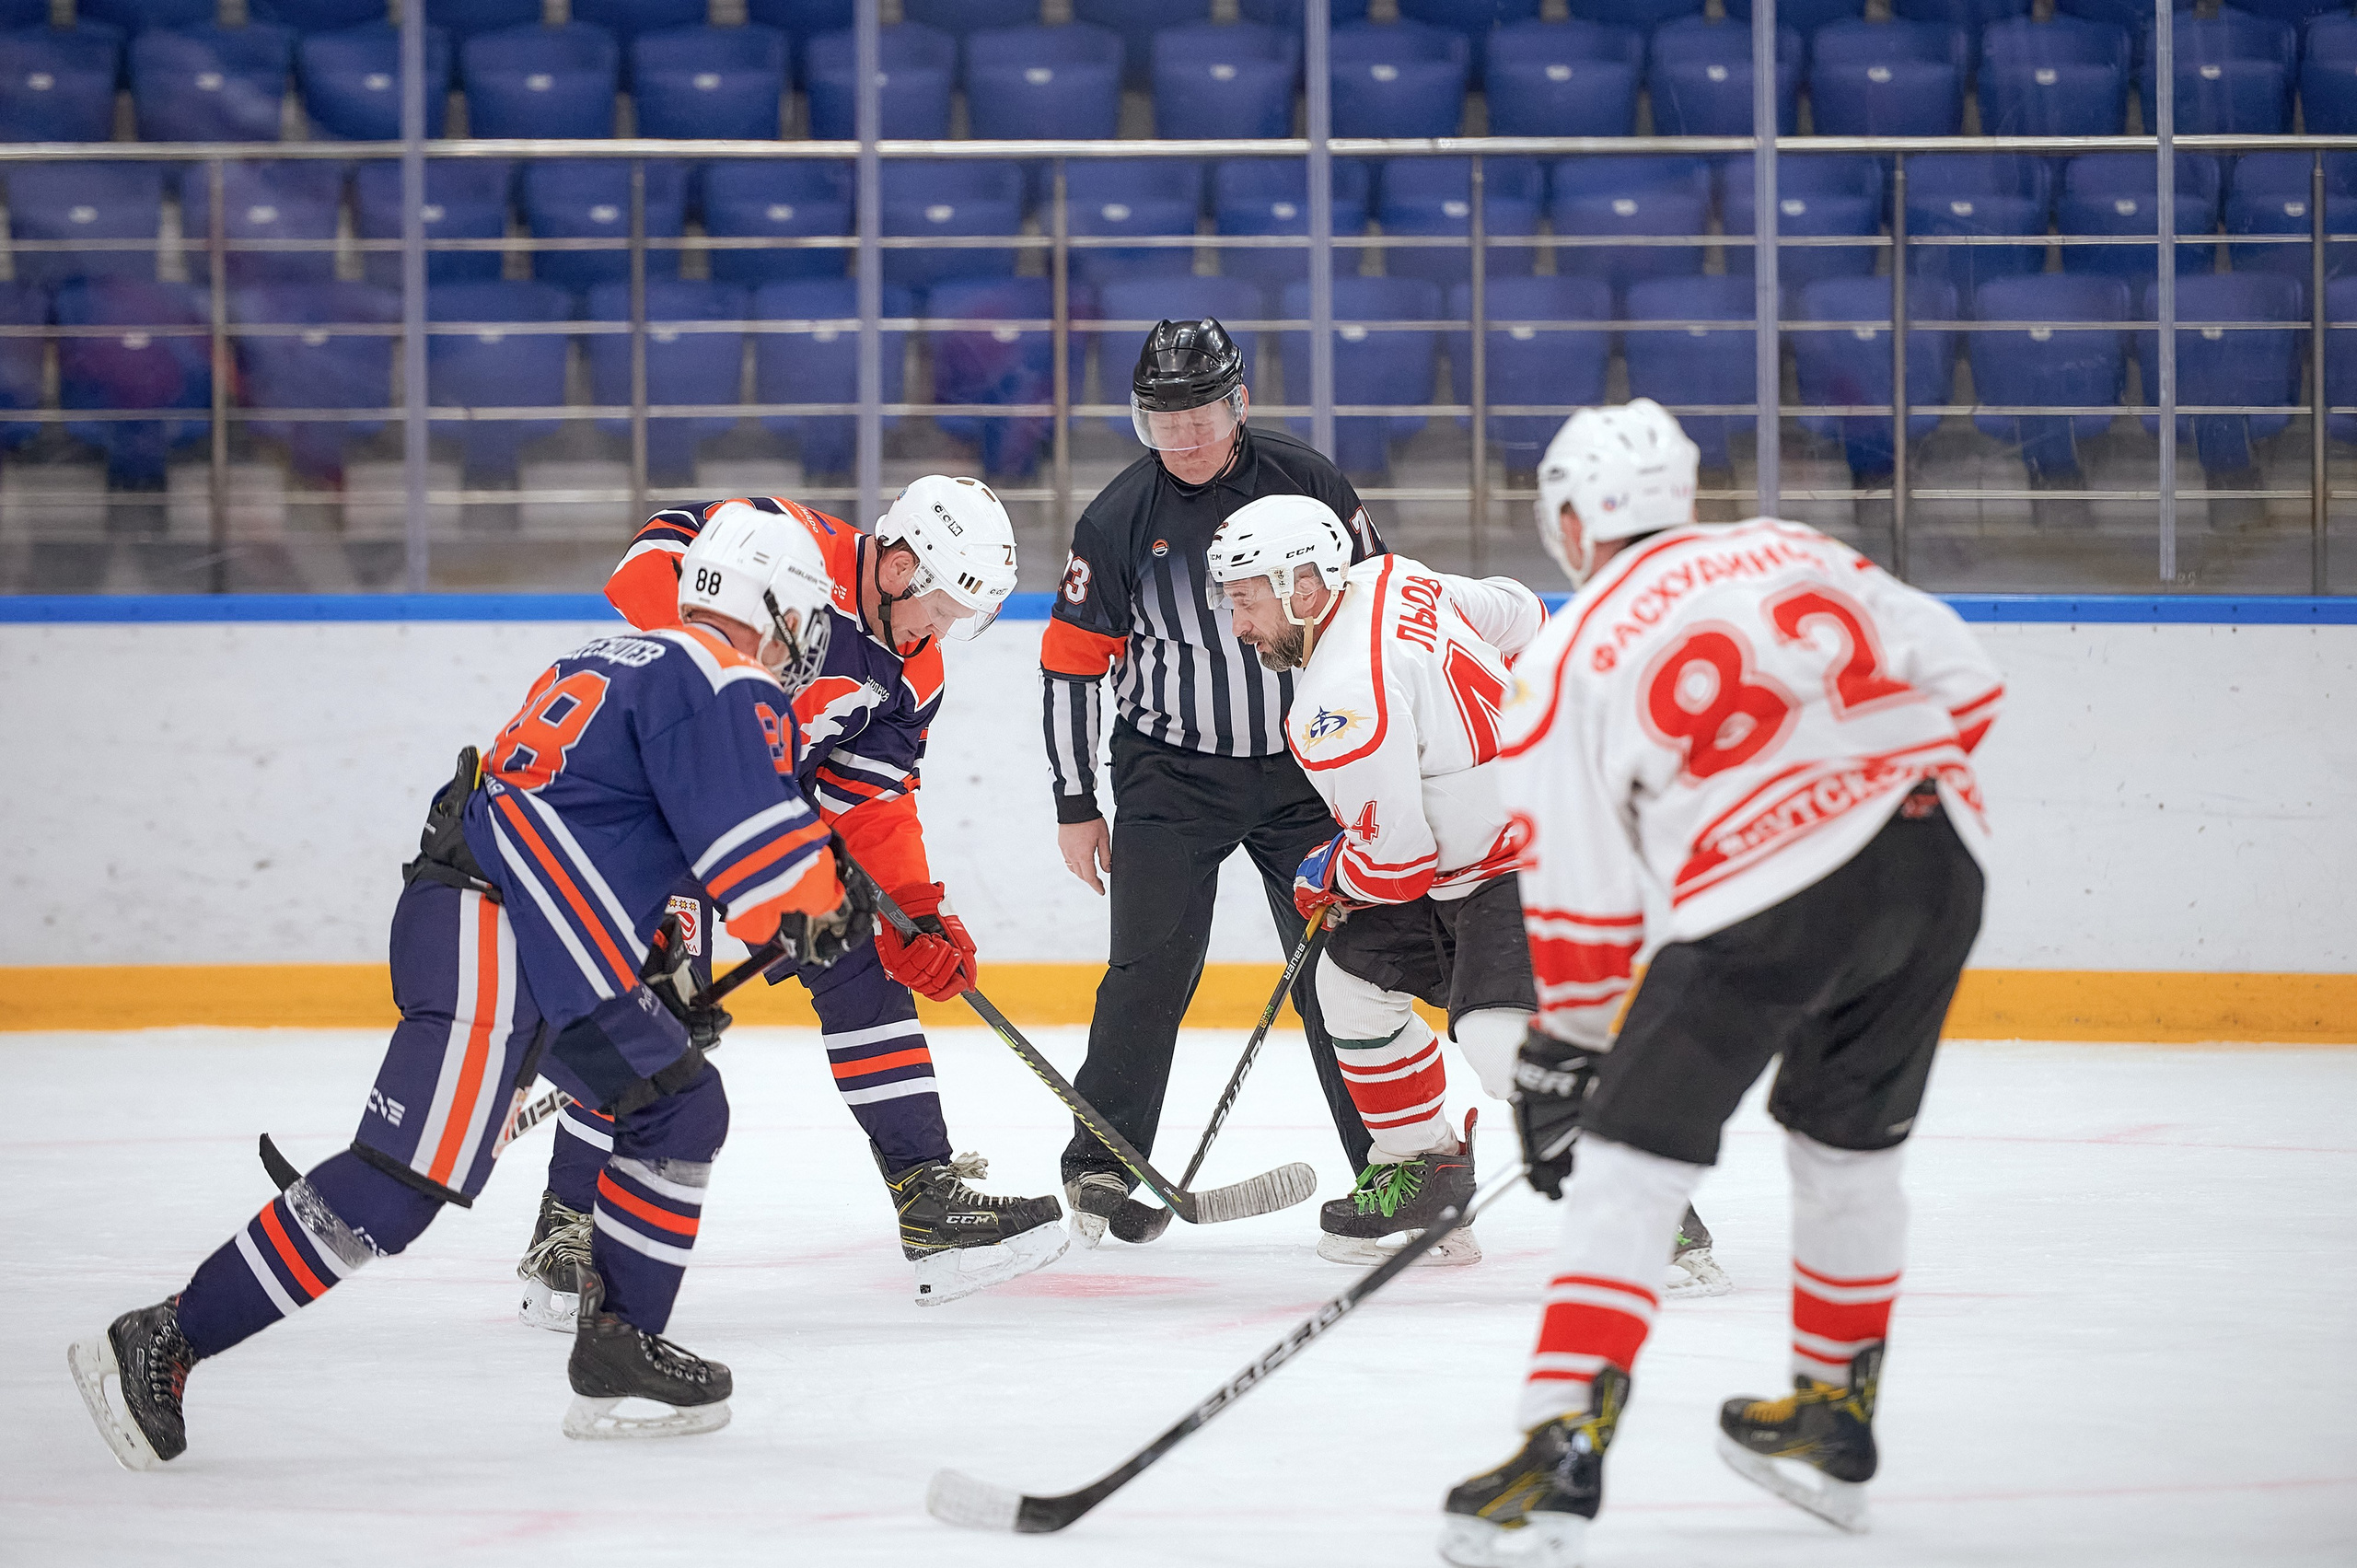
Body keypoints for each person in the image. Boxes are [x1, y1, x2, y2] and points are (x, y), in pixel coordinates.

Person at [71, 510, 868, 1467]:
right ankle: (166, 1334)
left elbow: (623, 827)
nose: (803, 639)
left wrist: (672, 956)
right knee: (400, 1187)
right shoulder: (721, 681)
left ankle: (617, 1345)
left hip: (529, 930)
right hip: (492, 929)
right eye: (801, 614)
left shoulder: (621, 655)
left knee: (677, 1103)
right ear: (768, 601)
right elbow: (758, 861)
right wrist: (824, 901)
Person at [1439, 401, 2005, 1566]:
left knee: (1630, 1167)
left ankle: (1556, 1454)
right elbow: (1972, 679)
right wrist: (1856, 792)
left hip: (1773, 887)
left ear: (1568, 517)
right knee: (1850, 1149)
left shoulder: (1564, 648)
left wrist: (1567, 1059)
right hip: (1940, 853)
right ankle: (1830, 1418)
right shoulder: (1799, 548)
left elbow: (1586, 900)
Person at [516, 480, 1069, 1315]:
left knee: (864, 966)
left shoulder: (914, 674)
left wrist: (915, 908)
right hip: (660, 811)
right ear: (900, 563)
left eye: (961, 616)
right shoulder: (782, 543)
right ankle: (568, 1225)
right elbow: (644, 564)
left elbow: (872, 799)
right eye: (943, 606)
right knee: (648, 1007)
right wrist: (720, 697)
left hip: (759, 823)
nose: (941, 629)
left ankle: (928, 1199)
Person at [1041, 318, 1386, 1244]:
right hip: (1169, 772)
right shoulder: (1116, 519)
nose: (1183, 436)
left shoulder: (1306, 481)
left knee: (1341, 977)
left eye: (1198, 413)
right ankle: (1100, 1170)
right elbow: (1071, 665)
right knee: (1145, 974)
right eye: (1163, 419)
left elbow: (1379, 610)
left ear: (1237, 404)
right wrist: (1077, 803)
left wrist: (1379, 766)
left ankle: (1391, 1170)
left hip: (1305, 772)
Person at [1203, 493, 1543, 1267]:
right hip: (1474, 857)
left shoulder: (1335, 701)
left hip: (1525, 861)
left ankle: (1661, 1212)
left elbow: (1394, 868)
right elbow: (1522, 614)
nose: (1240, 624)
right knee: (1349, 982)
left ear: (1304, 585)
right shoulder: (1395, 576)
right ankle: (1424, 1174)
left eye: (1247, 600)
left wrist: (1331, 871)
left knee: (1501, 1045)